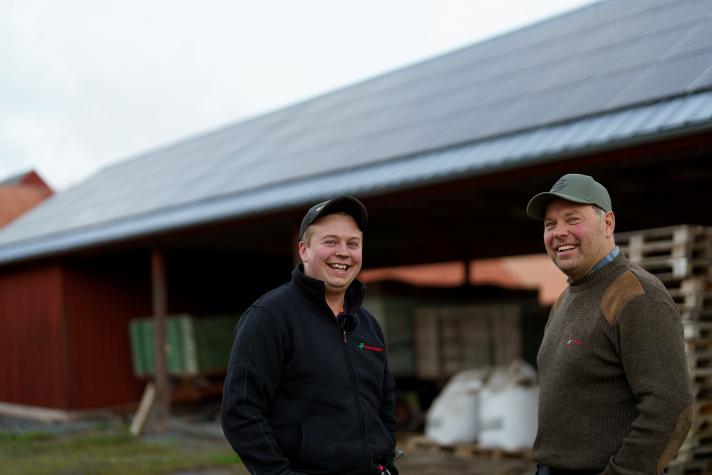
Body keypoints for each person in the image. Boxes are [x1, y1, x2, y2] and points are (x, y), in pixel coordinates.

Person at [526, 174, 692, 475]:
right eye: (550, 225)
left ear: (608, 224)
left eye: (573, 219)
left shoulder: (638, 295)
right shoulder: (566, 297)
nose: (559, 232)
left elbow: (671, 410)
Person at [221, 195, 398, 475]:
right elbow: (241, 412)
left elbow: (385, 404)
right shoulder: (269, 317)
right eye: (330, 242)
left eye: (353, 243)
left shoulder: (367, 324)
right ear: (304, 250)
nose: (343, 252)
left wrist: (385, 456)